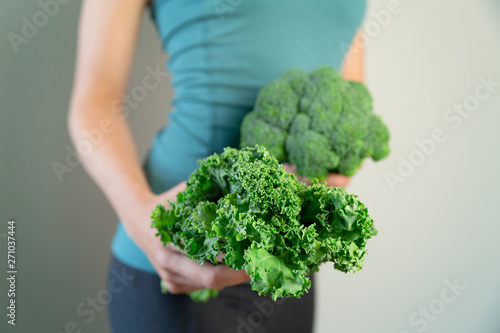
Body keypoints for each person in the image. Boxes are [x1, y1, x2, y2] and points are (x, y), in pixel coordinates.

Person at [68, 0, 367, 332]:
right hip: (182, 254)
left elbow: (347, 91)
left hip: (286, 260)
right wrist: (140, 216)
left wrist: (333, 171)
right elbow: (94, 105)